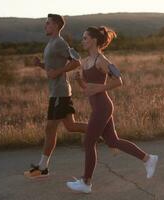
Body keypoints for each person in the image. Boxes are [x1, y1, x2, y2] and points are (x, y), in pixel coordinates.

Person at [66, 26, 158, 193]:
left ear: (94, 40)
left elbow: (119, 81)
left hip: (103, 107)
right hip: (97, 106)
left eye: (85, 38)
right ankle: (148, 159)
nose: (83, 41)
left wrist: (100, 88)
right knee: (113, 142)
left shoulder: (102, 61)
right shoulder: (86, 62)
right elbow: (88, 89)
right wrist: (79, 80)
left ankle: (86, 182)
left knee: (88, 142)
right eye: (83, 38)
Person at [24, 14, 87, 178]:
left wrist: (58, 72)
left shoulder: (59, 42)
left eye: (48, 23)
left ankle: (42, 167)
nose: (45, 25)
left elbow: (77, 61)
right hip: (55, 92)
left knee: (50, 128)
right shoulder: (50, 44)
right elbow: (52, 69)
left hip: (61, 92)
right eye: (45, 23)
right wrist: (40, 65)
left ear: (57, 25)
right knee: (70, 127)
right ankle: (99, 129)